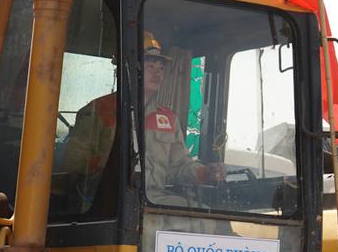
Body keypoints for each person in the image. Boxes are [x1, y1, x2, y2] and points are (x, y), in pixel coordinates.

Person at [60, 30, 220, 207]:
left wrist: (205, 173)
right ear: (129, 69)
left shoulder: (168, 119)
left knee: (204, 214)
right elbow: (73, 159)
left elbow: (179, 164)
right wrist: (106, 160)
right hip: (108, 201)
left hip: (153, 200)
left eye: (161, 68)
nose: (158, 73)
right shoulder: (99, 110)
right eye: (150, 66)